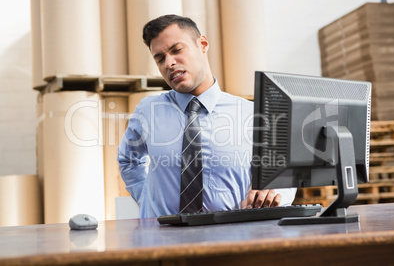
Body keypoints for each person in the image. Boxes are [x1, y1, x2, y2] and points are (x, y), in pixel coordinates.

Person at [117, 14, 296, 218]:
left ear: (202, 44)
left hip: (231, 237)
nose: (169, 63)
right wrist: (147, 199)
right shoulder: (148, 110)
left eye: (176, 50)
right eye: (160, 58)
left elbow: (284, 173)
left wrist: (275, 193)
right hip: (162, 240)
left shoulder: (251, 114)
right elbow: (128, 161)